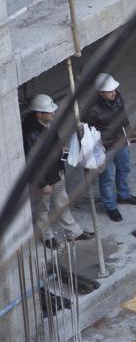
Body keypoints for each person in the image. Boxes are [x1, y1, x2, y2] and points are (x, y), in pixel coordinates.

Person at [23, 94, 94, 249]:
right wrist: (42, 184)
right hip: (45, 179)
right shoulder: (31, 134)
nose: (54, 114)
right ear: (39, 114)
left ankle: (73, 233)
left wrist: (63, 156)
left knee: (62, 202)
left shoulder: (47, 124)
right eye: (50, 112)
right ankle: (47, 236)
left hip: (57, 172)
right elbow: (32, 163)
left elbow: (57, 141)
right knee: (43, 209)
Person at [83, 73, 136, 222]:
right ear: (101, 93)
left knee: (124, 168)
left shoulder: (117, 97)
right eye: (110, 91)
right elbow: (86, 132)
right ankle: (111, 207)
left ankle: (123, 195)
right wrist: (96, 149)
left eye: (114, 89)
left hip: (120, 141)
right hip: (105, 147)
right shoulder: (92, 110)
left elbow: (123, 115)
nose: (114, 93)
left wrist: (128, 132)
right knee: (107, 178)